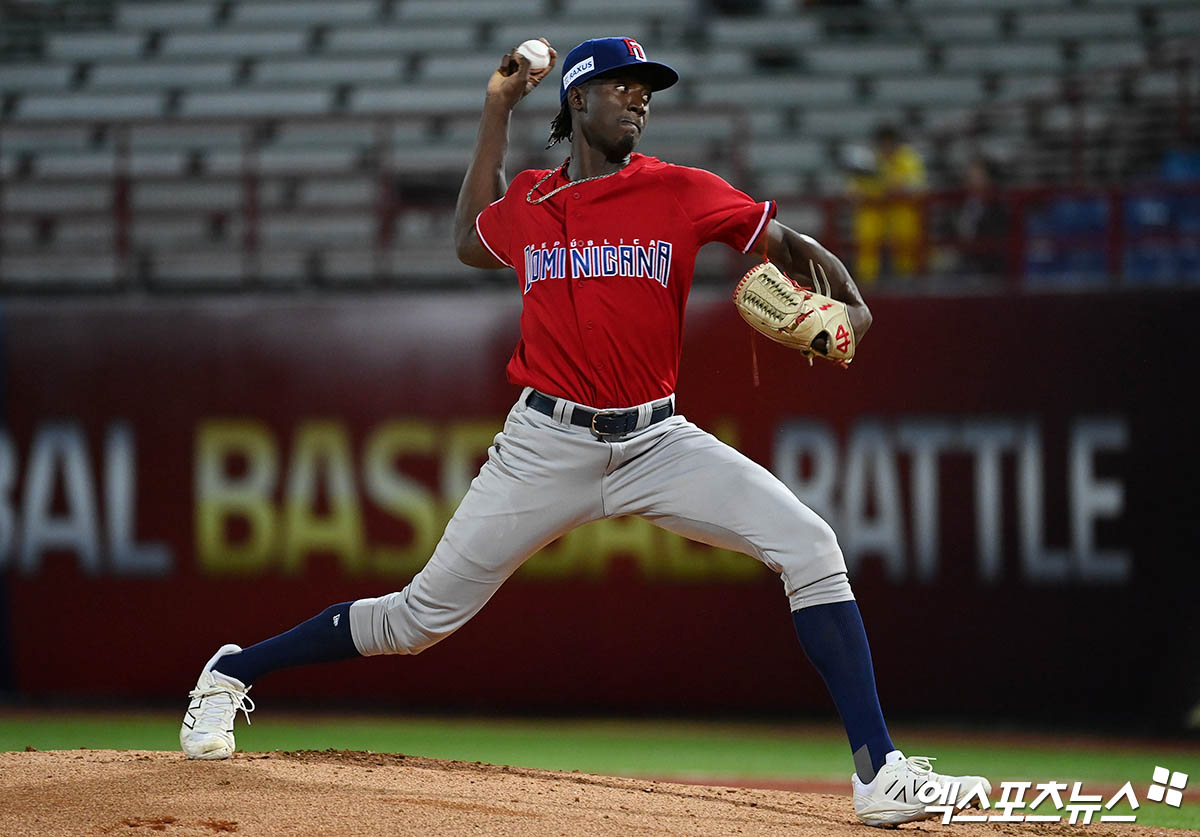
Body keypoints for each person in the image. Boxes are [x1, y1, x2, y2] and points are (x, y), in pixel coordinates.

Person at [180, 37, 990, 827]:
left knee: (810, 544)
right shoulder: (532, 199)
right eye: (622, 84)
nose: (640, 96)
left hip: (657, 441)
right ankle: (232, 671)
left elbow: (787, 242)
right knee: (416, 619)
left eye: (647, 87)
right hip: (546, 444)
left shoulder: (680, 189)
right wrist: (496, 106)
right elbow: (468, 238)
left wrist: (853, 305)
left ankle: (878, 772)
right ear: (577, 98)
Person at [848, 123, 927, 282]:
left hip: (900, 210)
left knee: (906, 235)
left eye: (889, 143)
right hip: (874, 212)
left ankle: (907, 278)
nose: (886, 148)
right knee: (867, 237)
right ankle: (867, 281)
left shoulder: (907, 158)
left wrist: (893, 186)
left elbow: (917, 187)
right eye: (882, 143)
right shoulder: (868, 159)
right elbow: (853, 191)